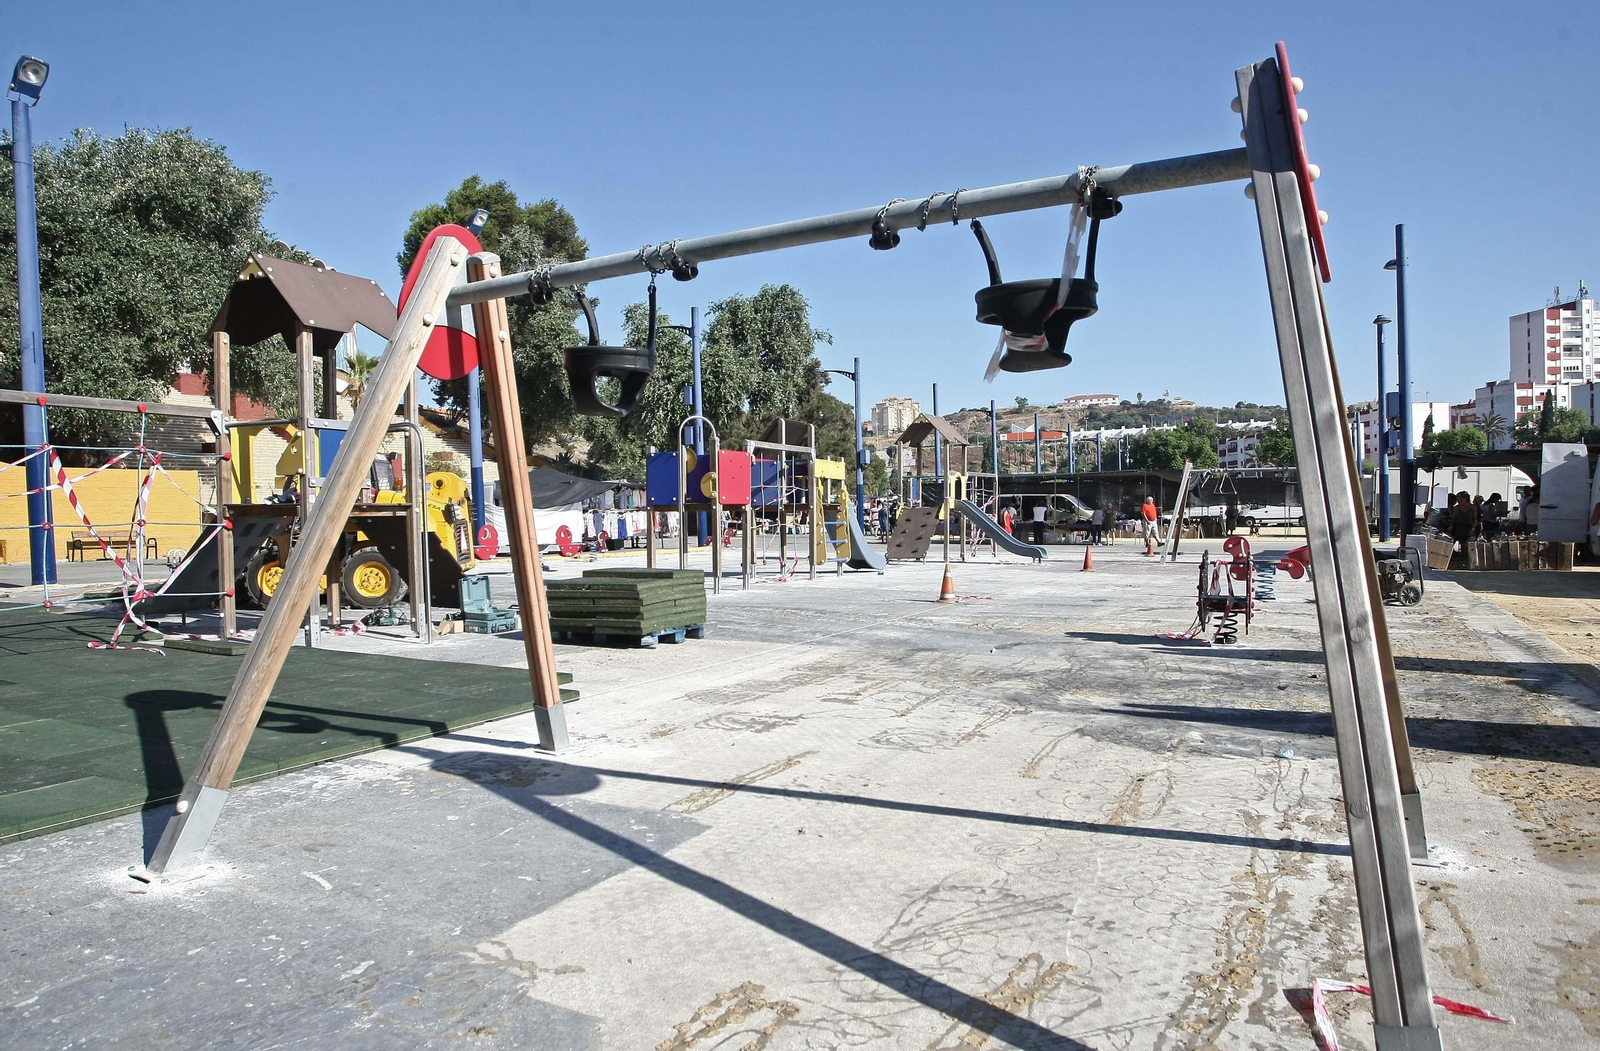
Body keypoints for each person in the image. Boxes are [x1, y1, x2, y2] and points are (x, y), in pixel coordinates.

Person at [1449, 490, 1476, 555]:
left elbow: (1475, 519)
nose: (1459, 501)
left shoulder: (1472, 507)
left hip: (1469, 526)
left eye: (1460, 500)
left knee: (1469, 542)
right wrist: (1451, 526)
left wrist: (1473, 528)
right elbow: (1453, 518)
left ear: (1465, 498)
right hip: (1460, 526)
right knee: (1462, 542)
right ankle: (1462, 555)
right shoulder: (1457, 508)